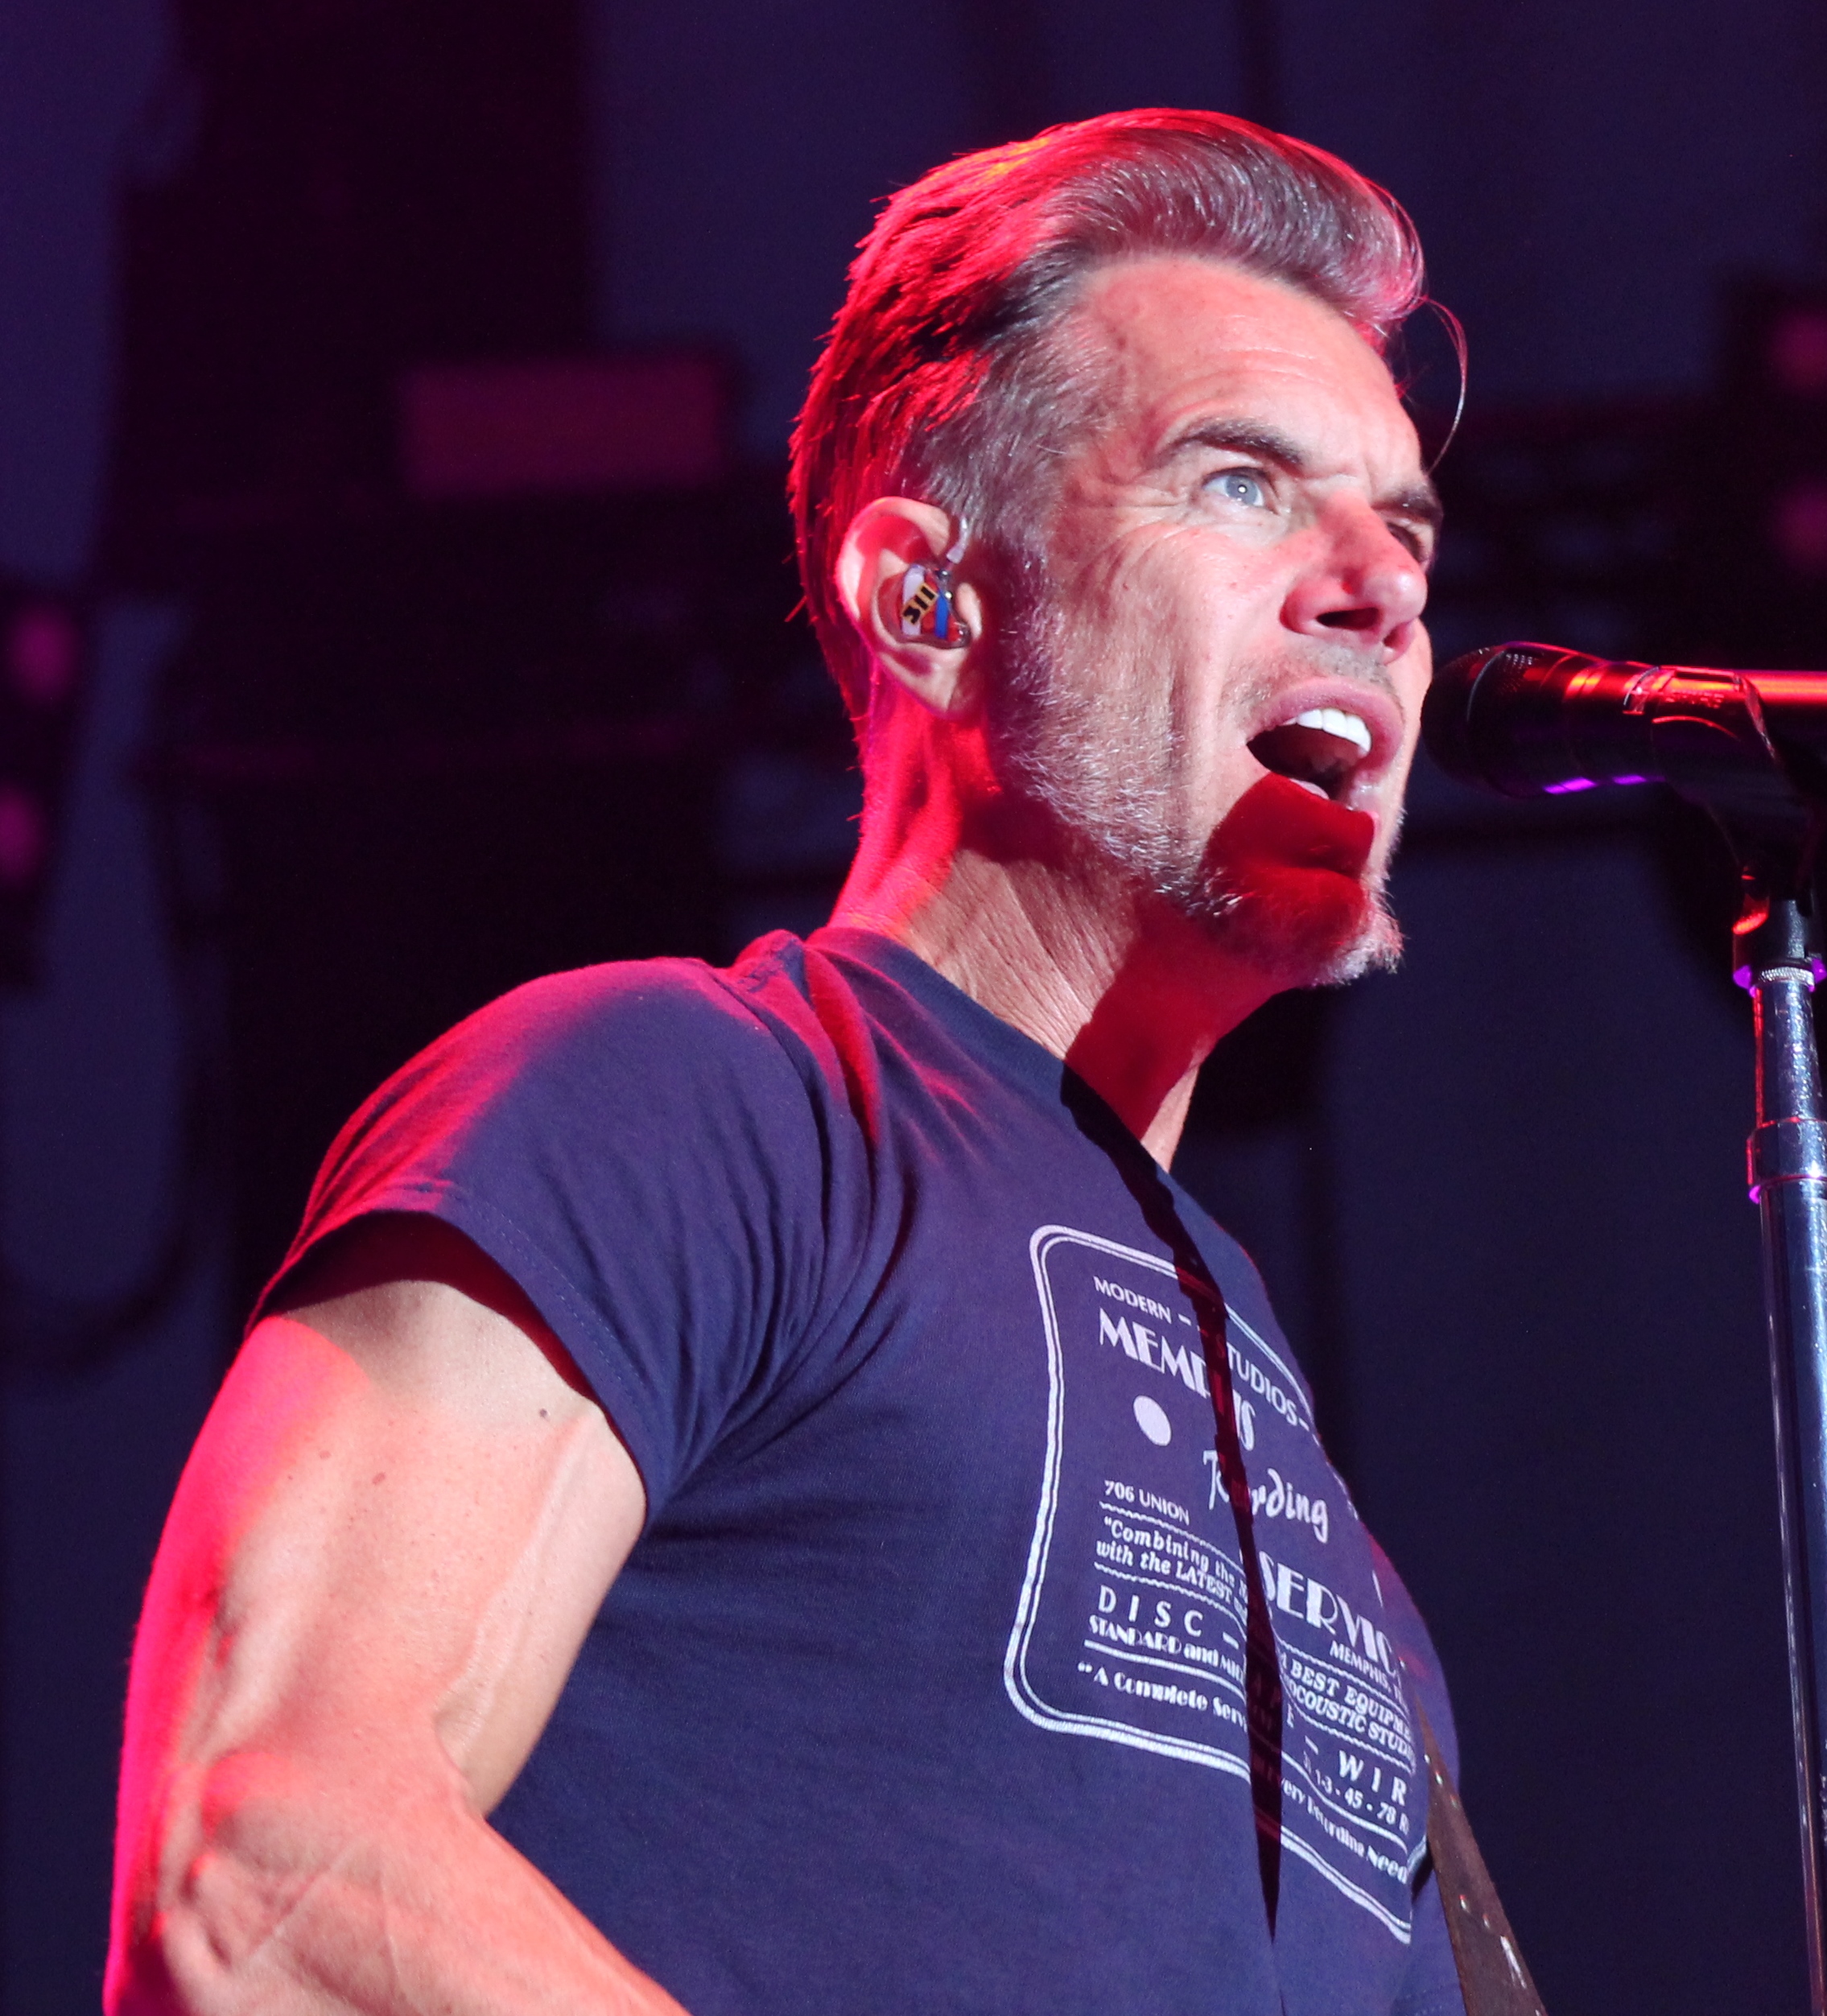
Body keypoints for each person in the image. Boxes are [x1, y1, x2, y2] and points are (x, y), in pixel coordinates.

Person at [107, 108, 1470, 2015]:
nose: (1377, 587)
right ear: (925, 599)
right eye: (1240, 482)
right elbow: (268, 1867)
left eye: (1403, 529)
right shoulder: (674, 1104)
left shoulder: (1326, 1533)